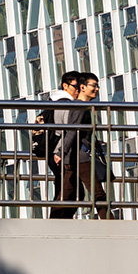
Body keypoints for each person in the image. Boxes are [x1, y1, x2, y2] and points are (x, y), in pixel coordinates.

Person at [74, 72, 111, 219]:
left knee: (68, 193)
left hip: (79, 155)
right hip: (81, 157)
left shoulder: (85, 107)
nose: (96, 89)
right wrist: (60, 152)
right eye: (93, 86)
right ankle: (111, 224)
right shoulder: (80, 107)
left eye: (97, 86)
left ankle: (56, 220)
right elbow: (72, 132)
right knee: (98, 193)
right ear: (82, 87)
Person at [48, 71, 83, 219]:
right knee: (70, 192)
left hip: (56, 152)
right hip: (60, 153)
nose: (78, 91)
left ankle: (59, 223)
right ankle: (56, 223)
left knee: (68, 190)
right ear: (65, 85)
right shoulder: (65, 103)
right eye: (75, 87)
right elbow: (65, 130)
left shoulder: (53, 101)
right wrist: (61, 151)